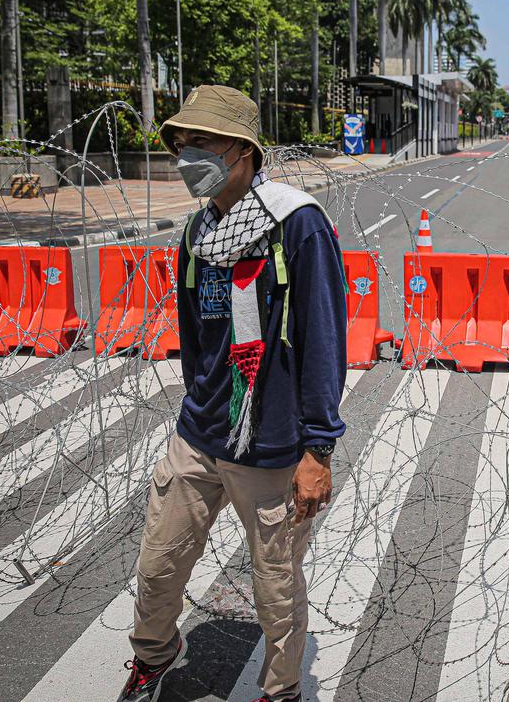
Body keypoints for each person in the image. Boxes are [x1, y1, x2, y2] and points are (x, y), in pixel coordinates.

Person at [118, 85, 347, 702]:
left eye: (203, 143)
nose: (187, 155)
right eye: (181, 144)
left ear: (243, 151)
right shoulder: (199, 229)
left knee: (275, 587)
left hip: (272, 447)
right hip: (201, 435)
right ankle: (153, 658)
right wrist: (202, 400)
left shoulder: (296, 224)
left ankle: (281, 690)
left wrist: (317, 450)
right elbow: (195, 332)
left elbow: (324, 337)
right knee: (158, 564)